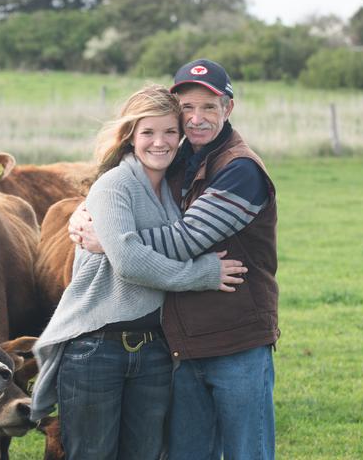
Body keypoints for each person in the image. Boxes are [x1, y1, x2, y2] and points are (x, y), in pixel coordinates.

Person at [69, 59, 280, 460]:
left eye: (209, 107)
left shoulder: (240, 170)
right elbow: (120, 191)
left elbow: (187, 239)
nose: (197, 119)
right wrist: (80, 214)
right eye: (187, 108)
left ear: (228, 109)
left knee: (246, 452)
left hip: (237, 340)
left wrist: (112, 242)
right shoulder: (178, 159)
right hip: (182, 345)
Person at [30, 84, 248, 460]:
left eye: (170, 132)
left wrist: (114, 241)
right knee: (92, 454)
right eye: (148, 132)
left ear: (181, 136)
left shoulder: (178, 188)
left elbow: (176, 239)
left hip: (155, 348)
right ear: (130, 136)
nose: (159, 142)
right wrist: (203, 275)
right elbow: (129, 264)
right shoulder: (113, 186)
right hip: (96, 347)